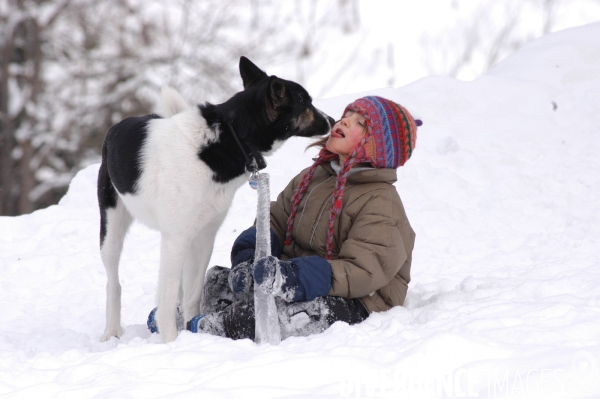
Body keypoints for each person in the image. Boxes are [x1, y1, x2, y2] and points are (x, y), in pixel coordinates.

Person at [147, 96, 421, 340]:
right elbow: (275, 221)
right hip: (298, 277)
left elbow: (363, 270)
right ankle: (193, 309)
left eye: (360, 123)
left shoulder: (381, 203)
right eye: (347, 115)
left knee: (287, 313)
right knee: (219, 280)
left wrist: (292, 277)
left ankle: (218, 327)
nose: (346, 121)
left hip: (356, 298)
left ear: (378, 147)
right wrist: (250, 258)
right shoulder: (313, 177)